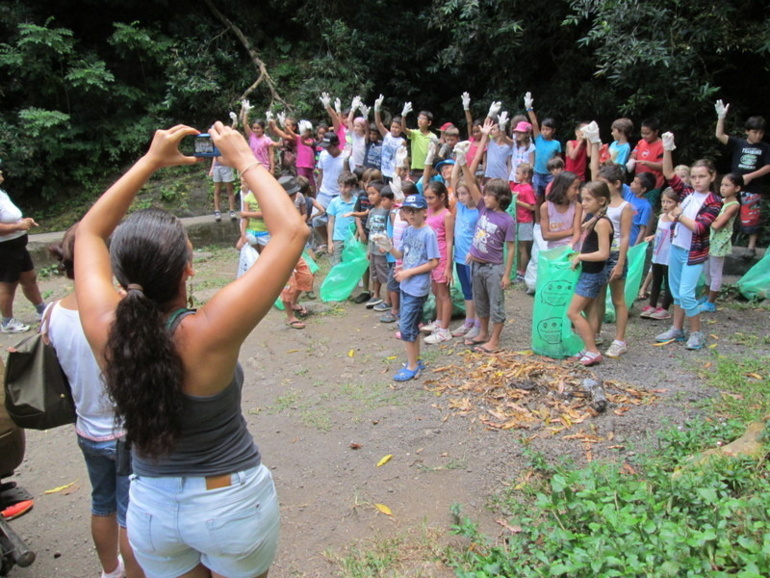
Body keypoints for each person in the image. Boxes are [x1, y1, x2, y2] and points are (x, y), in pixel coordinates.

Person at [74, 122, 308, 578]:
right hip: (229, 502)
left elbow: (88, 233)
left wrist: (149, 160)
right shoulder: (208, 330)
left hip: (152, 511)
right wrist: (244, 159)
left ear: (119, 275)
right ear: (188, 269)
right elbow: (292, 233)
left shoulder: (107, 331)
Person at [47, 225, 144, 578]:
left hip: (87, 428)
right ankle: (136, 573)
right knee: (128, 513)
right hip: (123, 431)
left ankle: (110, 572)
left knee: (101, 504)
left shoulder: (52, 313)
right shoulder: (119, 309)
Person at [656, 131, 722, 350]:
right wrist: (667, 149)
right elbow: (668, 174)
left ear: (712, 176)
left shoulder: (714, 201)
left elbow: (700, 227)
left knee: (686, 293)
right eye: (693, 177)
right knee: (675, 291)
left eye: (702, 176)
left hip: (694, 253)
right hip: (676, 247)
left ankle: (696, 333)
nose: (697, 180)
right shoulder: (686, 193)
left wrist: (678, 215)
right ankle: (677, 329)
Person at [376, 194, 440, 382]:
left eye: (415, 211)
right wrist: (388, 246)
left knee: (406, 327)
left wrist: (408, 273)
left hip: (417, 287)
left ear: (424, 212)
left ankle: (412, 365)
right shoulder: (408, 231)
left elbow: (434, 262)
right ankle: (415, 361)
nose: (411, 215)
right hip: (406, 284)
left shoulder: (428, 233)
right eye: (408, 211)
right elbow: (401, 254)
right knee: (410, 325)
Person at [714, 100, 770, 259]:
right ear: (747, 131)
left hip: (754, 188)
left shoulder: (765, 148)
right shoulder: (739, 143)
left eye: (761, 132)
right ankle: (722, 242)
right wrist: (721, 117)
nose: (758, 135)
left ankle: (751, 248)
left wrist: (750, 176)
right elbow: (719, 135)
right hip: (733, 185)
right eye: (754, 132)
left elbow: (768, 166)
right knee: (725, 212)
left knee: (752, 216)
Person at [566, 181, 613, 366]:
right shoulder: (597, 219)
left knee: (573, 312)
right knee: (589, 310)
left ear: (601, 201)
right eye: (582, 199)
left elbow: (604, 253)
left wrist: (581, 257)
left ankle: (592, 351)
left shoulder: (602, 223)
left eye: (587, 199)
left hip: (592, 274)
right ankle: (589, 347)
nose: (583, 203)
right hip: (592, 273)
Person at [0, 168, 46, 333]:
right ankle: (7, 322)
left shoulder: (1, 192)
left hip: (17, 244)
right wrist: (17, 226)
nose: (1, 172)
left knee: (29, 278)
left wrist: (23, 221)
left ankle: (42, 309)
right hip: (5, 248)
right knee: (8, 284)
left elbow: (8, 216)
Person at [449, 149, 480, 339]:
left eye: (464, 193)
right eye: (459, 194)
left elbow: (480, 236)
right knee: (467, 291)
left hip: (473, 257)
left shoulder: (479, 211)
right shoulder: (460, 206)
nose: (460, 197)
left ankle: (477, 322)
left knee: (476, 291)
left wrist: (465, 165)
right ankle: (468, 322)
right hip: (459, 256)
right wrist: (458, 161)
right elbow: (453, 182)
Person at [700, 173, 742, 313]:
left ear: (737, 188)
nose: (723, 188)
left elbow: (718, 224)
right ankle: (706, 296)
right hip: (709, 239)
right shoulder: (721, 201)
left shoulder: (734, 205)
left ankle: (711, 302)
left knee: (715, 272)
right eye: (722, 185)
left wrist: (708, 218)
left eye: (727, 185)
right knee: (706, 270)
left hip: (719, 242)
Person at [421, 181, 455, 345]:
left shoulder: (446, 215)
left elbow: (449, 241)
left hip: (441, 258)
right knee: (436, 291)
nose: (428, 201)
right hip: (430, 258)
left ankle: (444, 331)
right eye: (426, 198)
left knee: (443, 294)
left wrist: (448, 266)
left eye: (431, 198)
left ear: (442, 197)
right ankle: (439, 321)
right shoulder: (429, 212)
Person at [639, 187, 678, 320]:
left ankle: (665, 308)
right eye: (663, 201)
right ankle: (652, 305)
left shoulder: (676, 220)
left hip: (669, 257)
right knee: (656, 280)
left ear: (677, 204)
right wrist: (653, 236)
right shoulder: (661, 217)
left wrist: (675, 217)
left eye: (669, 202)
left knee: (668, 282)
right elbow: (662, 232)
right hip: (658, 254)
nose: (665, 205)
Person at [524, 92, 562, 201]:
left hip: (550, 174)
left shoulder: (556, 143)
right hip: (537, 173)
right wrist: (529, 109)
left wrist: (558, 172)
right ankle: (538, 217)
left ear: (553, 130)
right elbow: (534, 123)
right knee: (537, 198)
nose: (545, 131)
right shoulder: (538, 138)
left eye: (548, 129)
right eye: (543, 129)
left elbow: (558, 159)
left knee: (549, 197)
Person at [540, 170, 582, 251]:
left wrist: (571, 244)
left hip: (571, 249)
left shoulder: (577, 206)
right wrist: (570, 231)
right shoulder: (545, 207)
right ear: (564, 188)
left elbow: (577, 233)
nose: (577, 192)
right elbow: (546, 235)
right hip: (553, 250)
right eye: (575, 188)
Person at [511, 162, 538, 279]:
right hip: (517, 220)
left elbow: (533, 207)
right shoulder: (517, 187)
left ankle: (522, 271)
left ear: (526, 175)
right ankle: (518, 269)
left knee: (523, 248)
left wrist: (517, 201)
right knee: (518, 247)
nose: (515, 175)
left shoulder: (528, 189)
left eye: (518, 173)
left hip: (525, 221)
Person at [326, 172, 358, 266]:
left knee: (350, 264)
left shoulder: (356, 201)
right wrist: (330, 242)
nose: (343, 189)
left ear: (352, 187)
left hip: (351, 238)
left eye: (346, 187)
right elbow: (331, 222)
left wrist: (356, 237)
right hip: (338, 238)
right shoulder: (334, 202)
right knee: (336, 263)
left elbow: (358, 221)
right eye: (340, 186)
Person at [399, 103, 436, 178]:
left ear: (429, 123)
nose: (420, 120)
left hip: (428, 168)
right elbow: (403, 129)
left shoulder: (433, 136)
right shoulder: (415, 133)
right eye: (419, 118)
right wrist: (403, 116)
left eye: (423, 119)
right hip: (415, 169)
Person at [629, 117, 664, 191]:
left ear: (656, 132)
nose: (644, 136)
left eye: (647, 133)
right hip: (638, 183)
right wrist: (631, 160)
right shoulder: (641, 142)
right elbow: (634, 153)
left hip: (653, 185)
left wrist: (646, 163)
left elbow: (662, 166)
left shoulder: (661, 145)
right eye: (642, 133)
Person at [240, 101, 276, 174]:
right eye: (254, 128)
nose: (255, 130)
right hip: (252, 165)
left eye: (258, 128)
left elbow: (271, 154)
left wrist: (272, 168)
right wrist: (246, 112)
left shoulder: (267, 140)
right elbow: (245, 123)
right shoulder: (251, 136)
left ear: (263, 129)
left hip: (264, 166)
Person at [627, 172, 654, 246]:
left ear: (643, 189)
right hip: (620, 238)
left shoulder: (646, 206)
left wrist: (635, 246)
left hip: (632, 241)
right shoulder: (629, 193)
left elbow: (643, 229)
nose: (631, 183)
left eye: (635, 182)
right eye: (633, 181)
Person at [208, 154, 237, 222]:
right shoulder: (215, 144)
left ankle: (232, 210)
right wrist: (212, 169)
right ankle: (217, 211)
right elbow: (215, 156)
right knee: (217, 191)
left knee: (230, 190)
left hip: (227, 167)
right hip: (217, 167)